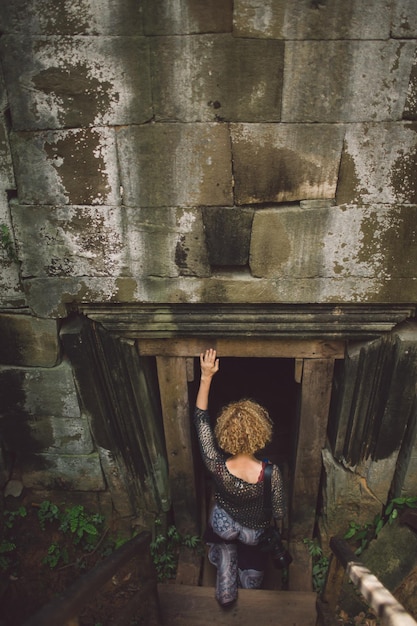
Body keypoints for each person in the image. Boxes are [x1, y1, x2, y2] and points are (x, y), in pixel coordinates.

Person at [194, 348, 285, 607]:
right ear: (261, 433)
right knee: (254, 570)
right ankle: (249, 575)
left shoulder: (216, 465)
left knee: (222, 528)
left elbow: (201, 422)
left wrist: (206, 376)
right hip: (253, 534)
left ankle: (225, 560)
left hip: (224, 526)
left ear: (225, 434)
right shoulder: (271, 473)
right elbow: (278, 512)